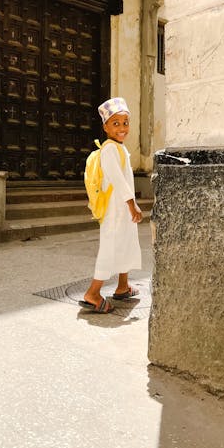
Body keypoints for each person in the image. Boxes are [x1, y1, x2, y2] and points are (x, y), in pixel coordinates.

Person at [80, 97, 143, 314]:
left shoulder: (119, 147)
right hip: (116, 210)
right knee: (110, 248)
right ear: (105, 126)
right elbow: (117, 179)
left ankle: (123, 286)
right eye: (116, 123)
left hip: (122, 209)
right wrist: (131, 204)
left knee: (125, 243)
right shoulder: (109, 149)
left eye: (125, 122)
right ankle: (93, 293)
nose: (122, 128)